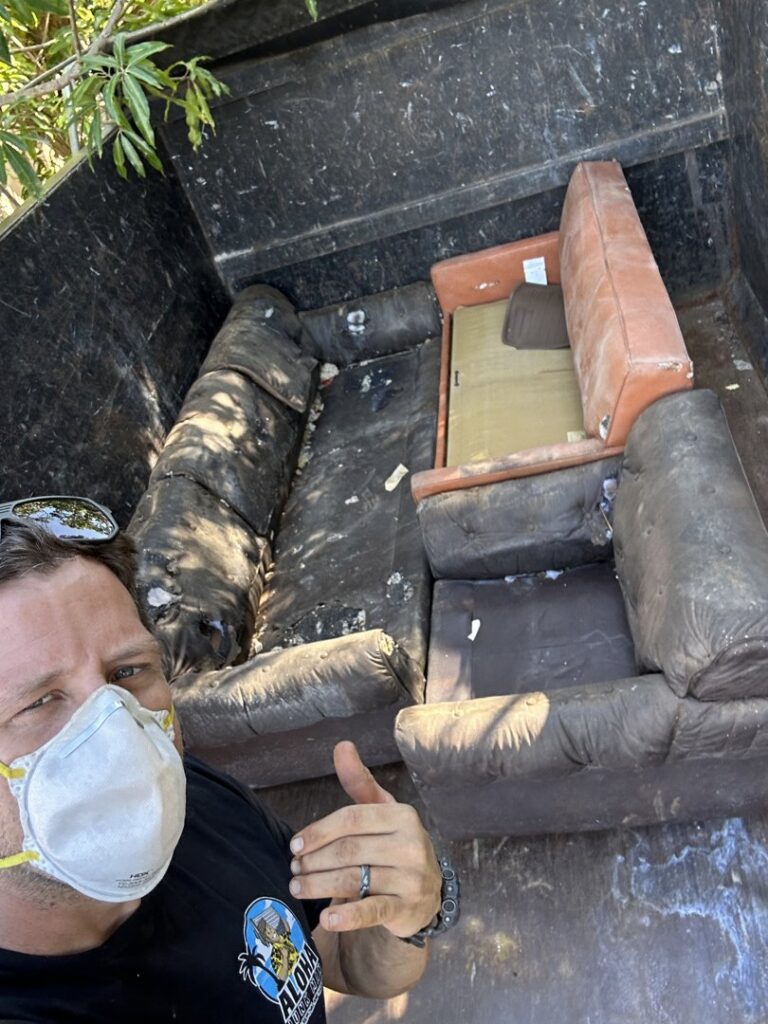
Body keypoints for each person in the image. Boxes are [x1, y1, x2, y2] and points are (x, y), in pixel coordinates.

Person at [0, 497, 458, 1023]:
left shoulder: (197, 800)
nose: (116, 735)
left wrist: (409, 909)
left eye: (127, 672)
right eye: (38, 702)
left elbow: (342, 961)